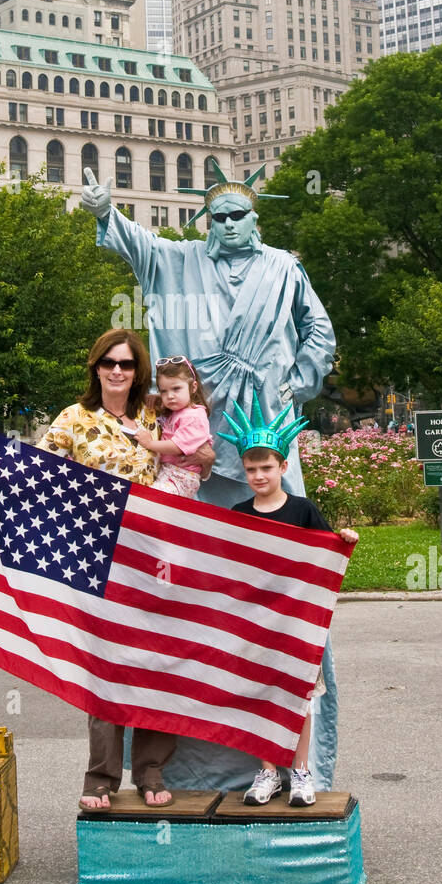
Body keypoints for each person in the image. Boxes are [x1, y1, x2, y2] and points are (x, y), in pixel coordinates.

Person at [81, 162, 341, 794]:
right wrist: (103, 211)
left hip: (267, 447)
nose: (228, 226)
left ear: (257, 218)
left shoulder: (285, 267)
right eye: (218, 216)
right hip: (188, 458)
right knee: (181, 592)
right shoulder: (179, 262)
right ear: (207, 221)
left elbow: (321, 332)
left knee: (283, 585)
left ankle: (290, 761)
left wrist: (297, 379)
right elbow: (139, 243)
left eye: (239, 216)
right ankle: (175, 764)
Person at [37, 329, 215, 812]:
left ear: (138, 372)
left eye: (129, 364)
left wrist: (204, 457)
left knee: (157, 658)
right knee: (105, 663)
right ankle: (101, 775)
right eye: (110, 362)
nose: (119, 371)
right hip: (98, 555)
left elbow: (197, 455)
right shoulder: (73, 419)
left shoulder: (155, 412)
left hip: (156, 553)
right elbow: (39, 475)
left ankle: (151, 766)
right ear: (96, 367)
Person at [217, 396, 358, 806]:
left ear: (283, 467)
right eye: (251, 469)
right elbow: (228, 565)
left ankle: (300, 772)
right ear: (244, 472)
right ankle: (267, 772)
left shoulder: (302, 510)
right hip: (256, 625)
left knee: (297, 699)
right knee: (261, 697)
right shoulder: (239, 513)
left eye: (267, 467)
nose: (259, 475)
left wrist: (344, 539)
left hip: (295, 625)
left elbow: (325, 556)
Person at [126, 356, 211, 499]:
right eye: (164, 391)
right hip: (169, 472)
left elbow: (178, 446)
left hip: (181, 476)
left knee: (149, 501)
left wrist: (149, 443)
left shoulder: (194, 416)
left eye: (176, 389)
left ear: (193, 387)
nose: (170, 396)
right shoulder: (178, 412)